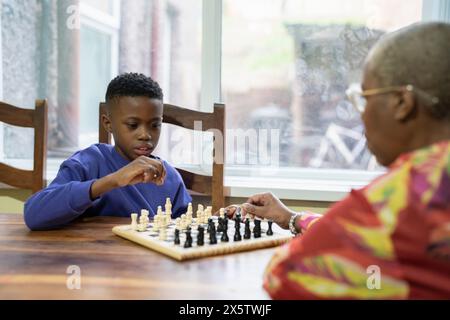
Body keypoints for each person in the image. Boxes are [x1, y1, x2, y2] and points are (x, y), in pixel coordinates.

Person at [227, 22, 450, 299]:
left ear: (402, 103)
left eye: (364, 98)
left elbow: (284, 276)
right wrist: (293, 218)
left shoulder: (402, 198)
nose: (362, 115)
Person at [24, 73, 192, 230]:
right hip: (96, 257)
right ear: (108, 123)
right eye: (133, 125)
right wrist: (112, 180)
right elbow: (33, 215)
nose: (145, 135)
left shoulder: (169, 177)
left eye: (155, 125)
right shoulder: (88, 163)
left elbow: (186, 230)